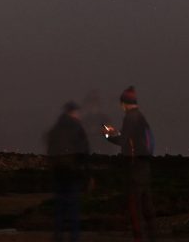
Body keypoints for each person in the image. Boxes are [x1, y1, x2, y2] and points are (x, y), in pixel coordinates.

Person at [102, 86, 155, 242]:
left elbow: (124, 141)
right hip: (145, 167)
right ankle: (152, 237)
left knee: (135, 209)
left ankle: (139, 238)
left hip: (135, 169)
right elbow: (133, 138)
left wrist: (108, 136)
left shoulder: (130, 117)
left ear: (124, 103)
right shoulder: (140, 117)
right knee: (147, 208)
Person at [45, 101, 91, 242]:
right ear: (74, 112)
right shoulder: (77, 128)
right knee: (73, 209)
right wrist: (88, 175)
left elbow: (50, 148)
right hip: (72, 174)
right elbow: (83, 152)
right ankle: (73, 238)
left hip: (58, 173)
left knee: (59, 207)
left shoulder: (56, 128)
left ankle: (58, 236)